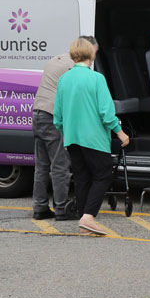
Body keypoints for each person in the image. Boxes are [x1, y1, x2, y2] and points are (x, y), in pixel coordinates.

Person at [54, 37, 130, 235]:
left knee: (82, 178)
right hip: (94, 138)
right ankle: (88, 216)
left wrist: (65, 134)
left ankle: (83, 221)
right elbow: (106, 112)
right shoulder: (96, 78)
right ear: (92, 53)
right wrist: (121, 134)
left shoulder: (64, 79)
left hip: (72, 139)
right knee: (103, 175)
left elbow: (58, 116)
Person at [31, 37, 97, 220]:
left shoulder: (56, 59)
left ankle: (40, 207)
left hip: (37, 113)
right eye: (93, 53)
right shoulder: (72, 67)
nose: (92, 58)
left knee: (41, 166)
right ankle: (61, 209)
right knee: (60, 165)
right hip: (52, 116)